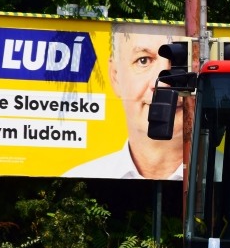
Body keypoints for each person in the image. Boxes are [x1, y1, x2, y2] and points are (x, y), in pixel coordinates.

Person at [64, 24, 184, 180]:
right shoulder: (79, 178)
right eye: (143, 60)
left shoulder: (219, 178)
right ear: (115, 76)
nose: (163, 84)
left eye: (181, 61)